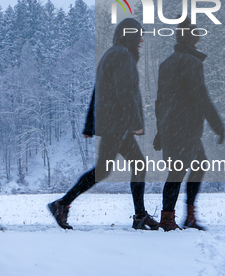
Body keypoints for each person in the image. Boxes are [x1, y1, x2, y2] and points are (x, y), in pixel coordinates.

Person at [48, 18, 158, 230]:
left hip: (113, 122)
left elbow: (97, 91)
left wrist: (90, 125)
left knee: (126, 166)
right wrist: (135, 122)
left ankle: (139, 215)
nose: (141, 41)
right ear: (130, 36)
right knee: (109, 169)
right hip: (118, 123)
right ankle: (62, 204)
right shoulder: (122, 56)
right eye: (139, 36)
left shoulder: (112, 54)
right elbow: (125, 92)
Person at [154, 18, 225, 231]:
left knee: (197, 165)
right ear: (193, 40)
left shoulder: (166, 63)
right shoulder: (191, 63)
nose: (199, 39)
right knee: (179, 172)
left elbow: (160, 100)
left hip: (171, 126)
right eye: (197, 35)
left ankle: (184, 216)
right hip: (185, 127)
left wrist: (160, 130)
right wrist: (217, 125)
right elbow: (200, 97)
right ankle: (170, 220)